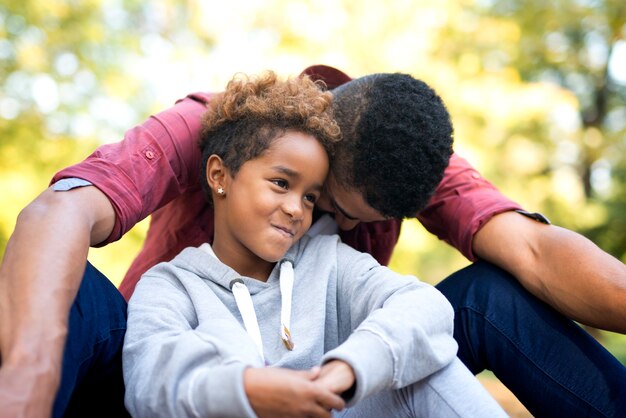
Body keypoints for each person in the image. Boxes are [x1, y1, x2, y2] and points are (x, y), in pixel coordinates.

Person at [0, 64, 624, 417]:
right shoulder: (223, 132)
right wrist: (28, 375)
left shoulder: (404, 160)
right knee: (65, 285)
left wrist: (351, 368)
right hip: (163, 373)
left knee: (492, 295)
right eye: (324, 201)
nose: (317, 221)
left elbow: (536, 253)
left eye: (317, 202)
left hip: (326, 380)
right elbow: (61, 211)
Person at [122, 70, 506, 418]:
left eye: (310, 197)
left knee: (425, 364)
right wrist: (250, 389)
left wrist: (349, 369)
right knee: (221, 343)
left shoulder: (328, 261)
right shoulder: (169, 285)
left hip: (332, 405)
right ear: (220, 175)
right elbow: (149, 382)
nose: (296, 209)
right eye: (281, 183)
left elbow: (424, 306)